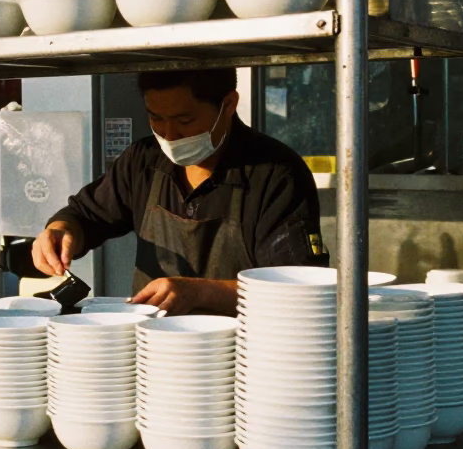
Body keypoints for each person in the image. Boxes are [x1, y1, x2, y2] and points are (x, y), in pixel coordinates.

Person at [33, 69, 327, 315]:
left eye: (185, 121)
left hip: (246, 358)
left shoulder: (276, 173)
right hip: (155, 350)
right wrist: (61, 230)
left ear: (228, 104)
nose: (170, 135)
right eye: (156, 118)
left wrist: (200, 293)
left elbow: (295, 288)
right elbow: (85, 215)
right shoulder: (144, 160)